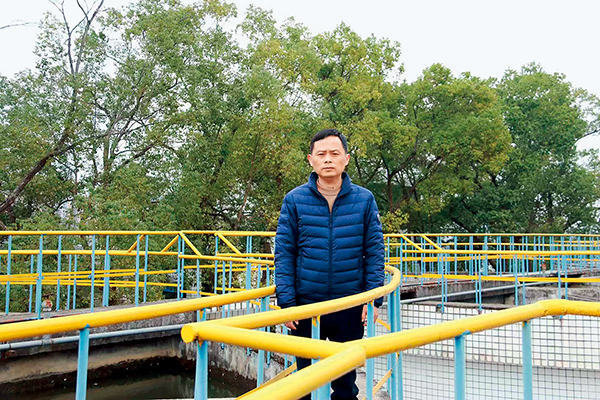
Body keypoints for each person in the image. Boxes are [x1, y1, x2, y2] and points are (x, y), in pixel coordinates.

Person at [275, 128, 385, 400]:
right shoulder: (294, 200)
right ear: (310, 159)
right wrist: (287, 304)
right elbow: (284, 254)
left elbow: (374, 252)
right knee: (303, 383)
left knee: (345, 384)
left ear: (346, 159)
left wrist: (373, 299)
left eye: (334, 153)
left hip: (349, 304)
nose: (328, 159)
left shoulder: (364, 199)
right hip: (305, 306)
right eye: (321, 153)